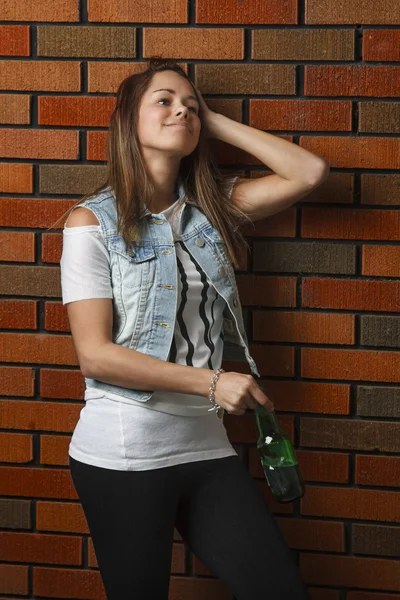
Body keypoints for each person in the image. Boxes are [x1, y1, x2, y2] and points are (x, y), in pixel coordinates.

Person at [54, 56, 328, 599]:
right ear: (127, 121)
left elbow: (309, 173)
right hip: (124, 451)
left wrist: (208, 120)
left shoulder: (211, 211)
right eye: (164, 101)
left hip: (206, 446)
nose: (181, 109)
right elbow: (96, 356)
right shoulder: (91, 224)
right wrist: (211, 383)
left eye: (190, 104)